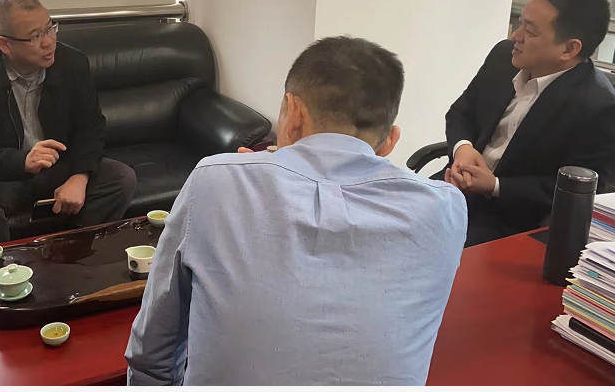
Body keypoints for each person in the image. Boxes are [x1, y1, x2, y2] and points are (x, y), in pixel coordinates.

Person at [125, 36, 468, 385]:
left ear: (293, 114)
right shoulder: (446, 208)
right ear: (390, 141)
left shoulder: (215, 181)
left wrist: (246, 176)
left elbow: (152, 356)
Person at [444, 0, 615, 247]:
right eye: (521, 22)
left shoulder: (601, 109)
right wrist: (463, 149)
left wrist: (494, 185)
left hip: (510, 219)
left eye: (530, 32)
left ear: (569, 49)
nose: (516, 36)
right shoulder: (503, 57)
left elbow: (575, 192)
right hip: (454, 187)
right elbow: (461, 112)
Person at [0, 0, 136, 247]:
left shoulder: (72, 62)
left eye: (50, 28)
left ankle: (76, 255)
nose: (48, 42)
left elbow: (91, 128)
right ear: (5, 45)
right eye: (35, 36)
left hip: (59, 165)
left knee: (121, 178)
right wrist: (22, 160)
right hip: (4, 174)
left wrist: (81, 176)